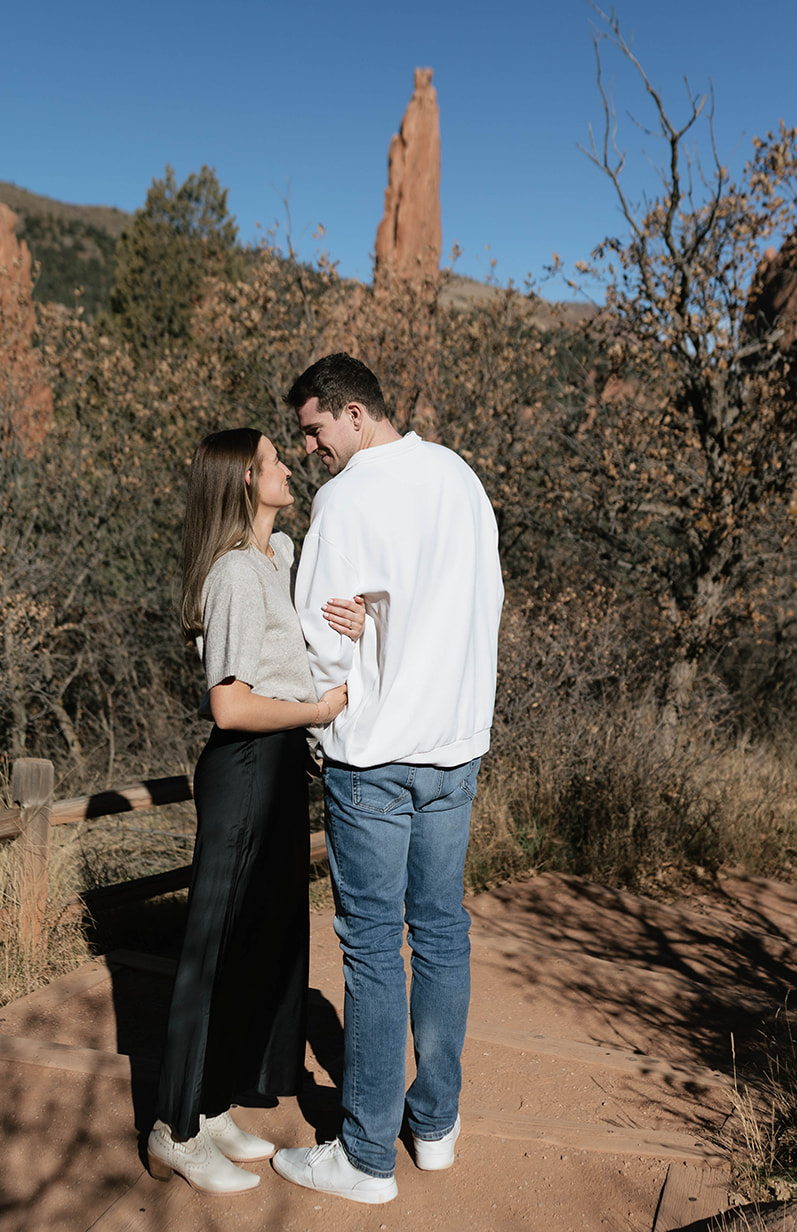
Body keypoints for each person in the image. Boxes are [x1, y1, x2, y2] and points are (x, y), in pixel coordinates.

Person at [271, 355, 504, 1206]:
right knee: (440, 932)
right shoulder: (459, 479)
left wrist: (357, 627)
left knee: (373, 950)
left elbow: (319, 645)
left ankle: (366, 1157)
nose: (311, 448)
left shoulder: (348, 498)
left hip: (373, 758)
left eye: (315, 428)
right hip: (454, 746)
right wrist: (387, 620)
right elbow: (484, 602)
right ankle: (432, 1128)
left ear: (356, 413)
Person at [147, 426, 364, 1195]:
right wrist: (314, 710)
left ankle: (208, 1108)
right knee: (213, 951)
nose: (286, 467)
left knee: (255, 947)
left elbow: (314, 628)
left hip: (278, 773)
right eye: (272, 461)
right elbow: (230, 705)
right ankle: (173, 1128)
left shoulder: (280, 557)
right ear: (244, 480)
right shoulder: (237, 573)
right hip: (244, 768)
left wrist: (354, 631)